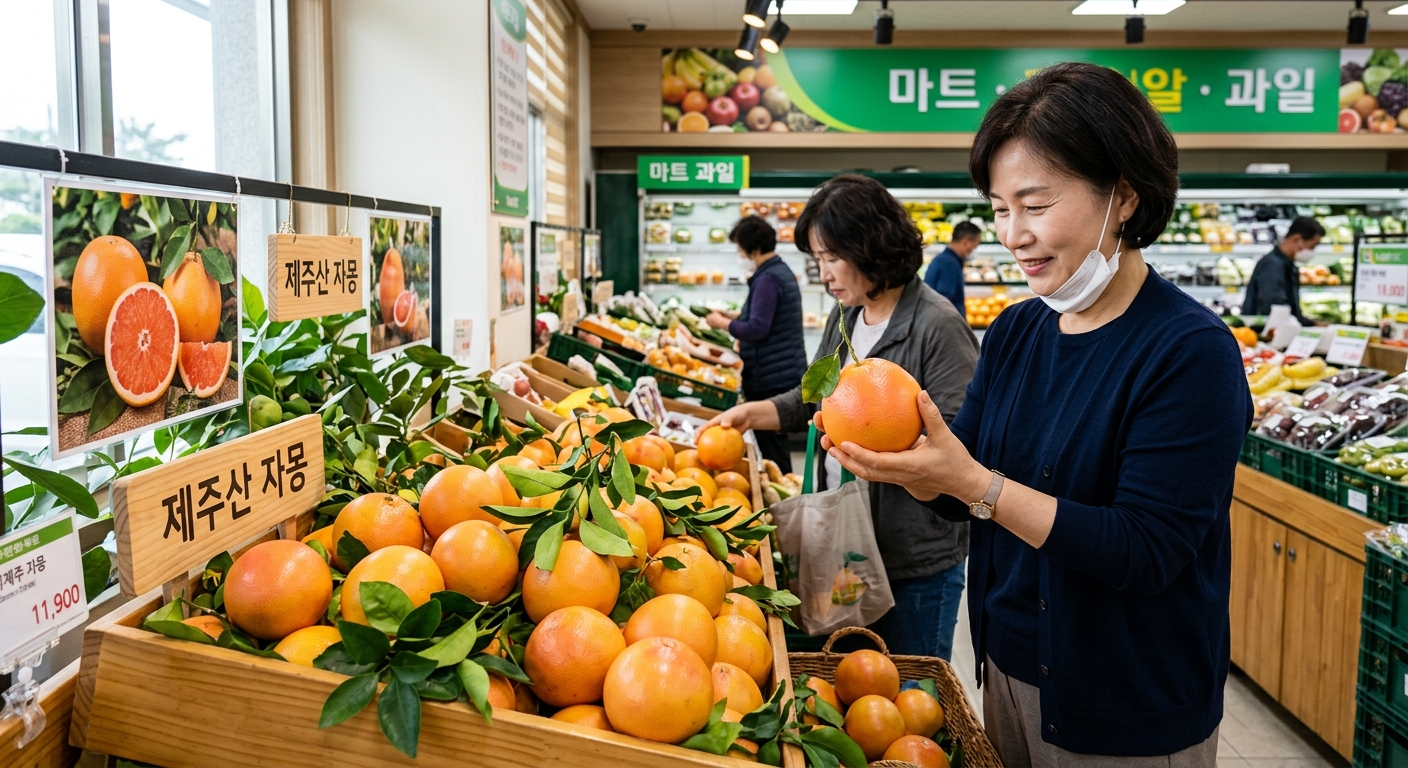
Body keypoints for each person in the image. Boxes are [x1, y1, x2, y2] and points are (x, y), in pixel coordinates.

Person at [818, 63, 1251, 766]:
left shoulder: (1188, 351)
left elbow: (1146, 550)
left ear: (1125, 196)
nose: (1014, 234)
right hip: (1011, 668)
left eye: (1037, 204)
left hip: (1126, 697)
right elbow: (968, 489)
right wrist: (919, 472)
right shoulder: (1019, 331)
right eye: (999, 209)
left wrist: (976, 485)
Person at [705, 174, 979, 660]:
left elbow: (959, 446)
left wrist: (893, 459)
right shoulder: (846, 315)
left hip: (912, 559)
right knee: (854, 688)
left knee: (912, 695)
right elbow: (816, 397)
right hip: (847, 540)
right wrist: (756, 413)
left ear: (869, 247)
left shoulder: (938, 327)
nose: (823, 274)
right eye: (818, 260)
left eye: (831, 258)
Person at [705, 217, 807, 473]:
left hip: (771, 375)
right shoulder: (777, 271)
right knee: (775, 445)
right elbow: (765, 318)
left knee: (772, 450)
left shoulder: (767, 279)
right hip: (782, 368)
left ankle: (781, 496)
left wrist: (721, 324)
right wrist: (734, 317)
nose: (740, 255)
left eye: (740, 249)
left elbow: (757, 329)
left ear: (753, 249)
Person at [1242, 216, 1325, 325]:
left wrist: (1312, 324)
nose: (1312, 252)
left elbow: (1291, 311)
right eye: (1311, 247)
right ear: (1297, 239)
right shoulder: (1272, 265)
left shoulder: (1288, 266)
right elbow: (1276, 309)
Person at [923, 220, 982, 313]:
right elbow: (945, 304)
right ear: (965, 241)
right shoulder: (949, 264)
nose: (973, 250)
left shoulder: (943, 259)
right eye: (974, 246)